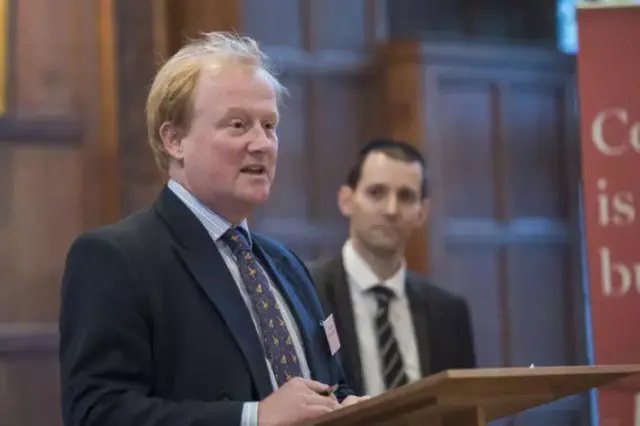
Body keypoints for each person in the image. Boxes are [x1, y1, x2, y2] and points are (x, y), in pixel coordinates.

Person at [58, 32, 366, 426]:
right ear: (175, 140)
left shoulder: (286, 265)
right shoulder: (116, 258)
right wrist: (253, 418)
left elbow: (327, 389)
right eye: (238, 125)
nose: (261, 143)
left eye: (269, 125)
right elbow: (96, 413)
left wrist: (352, 407)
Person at [312, 139, 476, 397]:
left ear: (422, 212)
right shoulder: (305, 291)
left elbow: (463, 408)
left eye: (406, 196)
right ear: (346, 200)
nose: (391, 210)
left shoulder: (448, 312)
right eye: (376, 192)